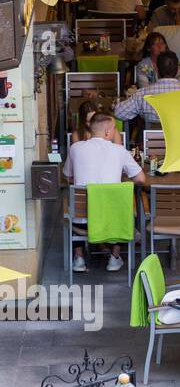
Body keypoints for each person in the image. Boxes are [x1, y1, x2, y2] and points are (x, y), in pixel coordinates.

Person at [63, 112, 146, 273]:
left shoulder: (75, 148)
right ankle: (114, 258)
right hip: (113, 222)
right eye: (114, 129)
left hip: (82, 223)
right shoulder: (120, 150)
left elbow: (67, 176)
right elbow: (141, 179)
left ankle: (79, 258)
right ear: (108, 131)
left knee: (72, 203)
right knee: (123, 204)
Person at [115, 52, 180, 126]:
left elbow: (119, 113)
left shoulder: (142, 94)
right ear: (178, 70)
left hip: (151, 139)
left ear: (157, 70)